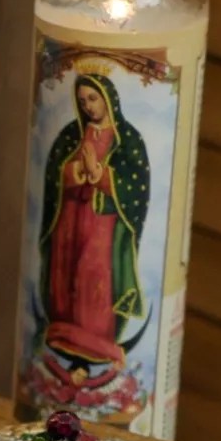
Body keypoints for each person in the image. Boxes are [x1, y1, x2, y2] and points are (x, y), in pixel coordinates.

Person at [36, 70, 152, 367]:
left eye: (93, 98)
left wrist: (100, 174)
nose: (87, 106)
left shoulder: (128, 140)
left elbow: (134, 186)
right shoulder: (72, 134)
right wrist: (74, 172)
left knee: (95, 275)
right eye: (82, 101)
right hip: (70, 219)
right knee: (67, 273)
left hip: (103, 224)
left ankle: (97, 341)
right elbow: (55, 172)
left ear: (108, 100)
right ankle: (64, 333)